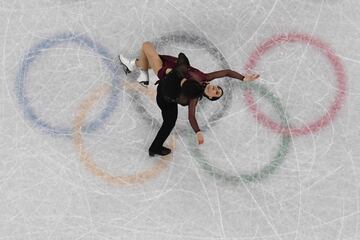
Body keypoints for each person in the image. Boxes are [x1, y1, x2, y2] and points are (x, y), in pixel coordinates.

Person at [119, 42, 259, 156]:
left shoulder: (194, 97)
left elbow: (191, 116)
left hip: (166, 83)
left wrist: (198, 131)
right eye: (217, 89)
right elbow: (227, 72)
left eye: (216, 93)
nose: (215, 89)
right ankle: (154, 148)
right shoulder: (205, 77)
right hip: (173, 69)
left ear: (209, 97)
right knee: (169, 123)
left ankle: (142, 74)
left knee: (147, 47)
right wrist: (243, 78)